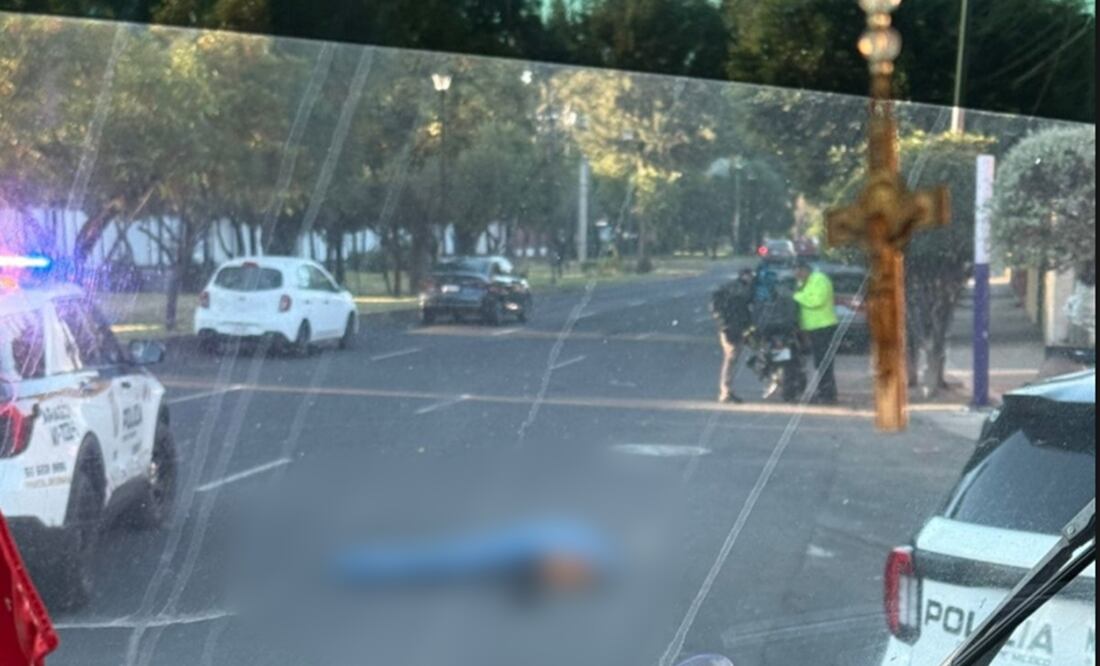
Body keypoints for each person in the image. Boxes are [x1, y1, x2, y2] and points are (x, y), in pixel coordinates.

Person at [792, 259, 839, 404]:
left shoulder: (819, 279)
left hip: (823, 326)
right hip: (813, 327)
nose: (796, 276)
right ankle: (824, 392)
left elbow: (816, 301)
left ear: (804, 270)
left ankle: (828, 394)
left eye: (798, 272)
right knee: (819, 362)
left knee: (823, 361)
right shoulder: (804, 282)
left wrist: (796, 296)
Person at [710, 269, 756, 403]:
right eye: (747, 276)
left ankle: (727, 390)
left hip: (739, 327)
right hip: (731, 327)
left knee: (733, 359)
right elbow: (717, 306)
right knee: (731, 358)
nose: (749, 278)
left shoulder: (743, 289)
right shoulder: (736, 290)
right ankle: (726, 390)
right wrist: (724, 323)